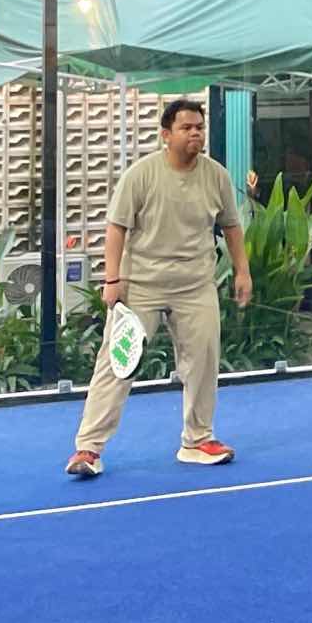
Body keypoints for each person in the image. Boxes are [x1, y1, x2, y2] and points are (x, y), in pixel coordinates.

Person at [66, 98, 252, 477]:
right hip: (141, 286)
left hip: (196, 285)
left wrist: (242, 272)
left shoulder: (216, 176)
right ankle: (89, 449)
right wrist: (112, 280)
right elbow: (116, 228)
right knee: (117, 363)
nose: (195, 133)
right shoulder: (141, 175)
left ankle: (197, 440)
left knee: (203, 360)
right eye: (186, 128)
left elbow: (231, 226)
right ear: (166, 135)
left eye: (199, 127)